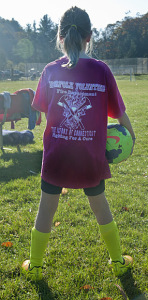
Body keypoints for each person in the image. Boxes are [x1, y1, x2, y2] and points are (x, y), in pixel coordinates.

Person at [22, 6, 136, 280]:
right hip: (90, 157)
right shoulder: (101, 70)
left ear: (60, 37)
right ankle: (118, 261)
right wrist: (130, 138)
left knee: (45, 209)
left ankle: (35, 266)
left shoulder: (50, 70)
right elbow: (120, 115)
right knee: (101, 207)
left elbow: (47, 114)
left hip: (57, 155)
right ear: (90, 37)